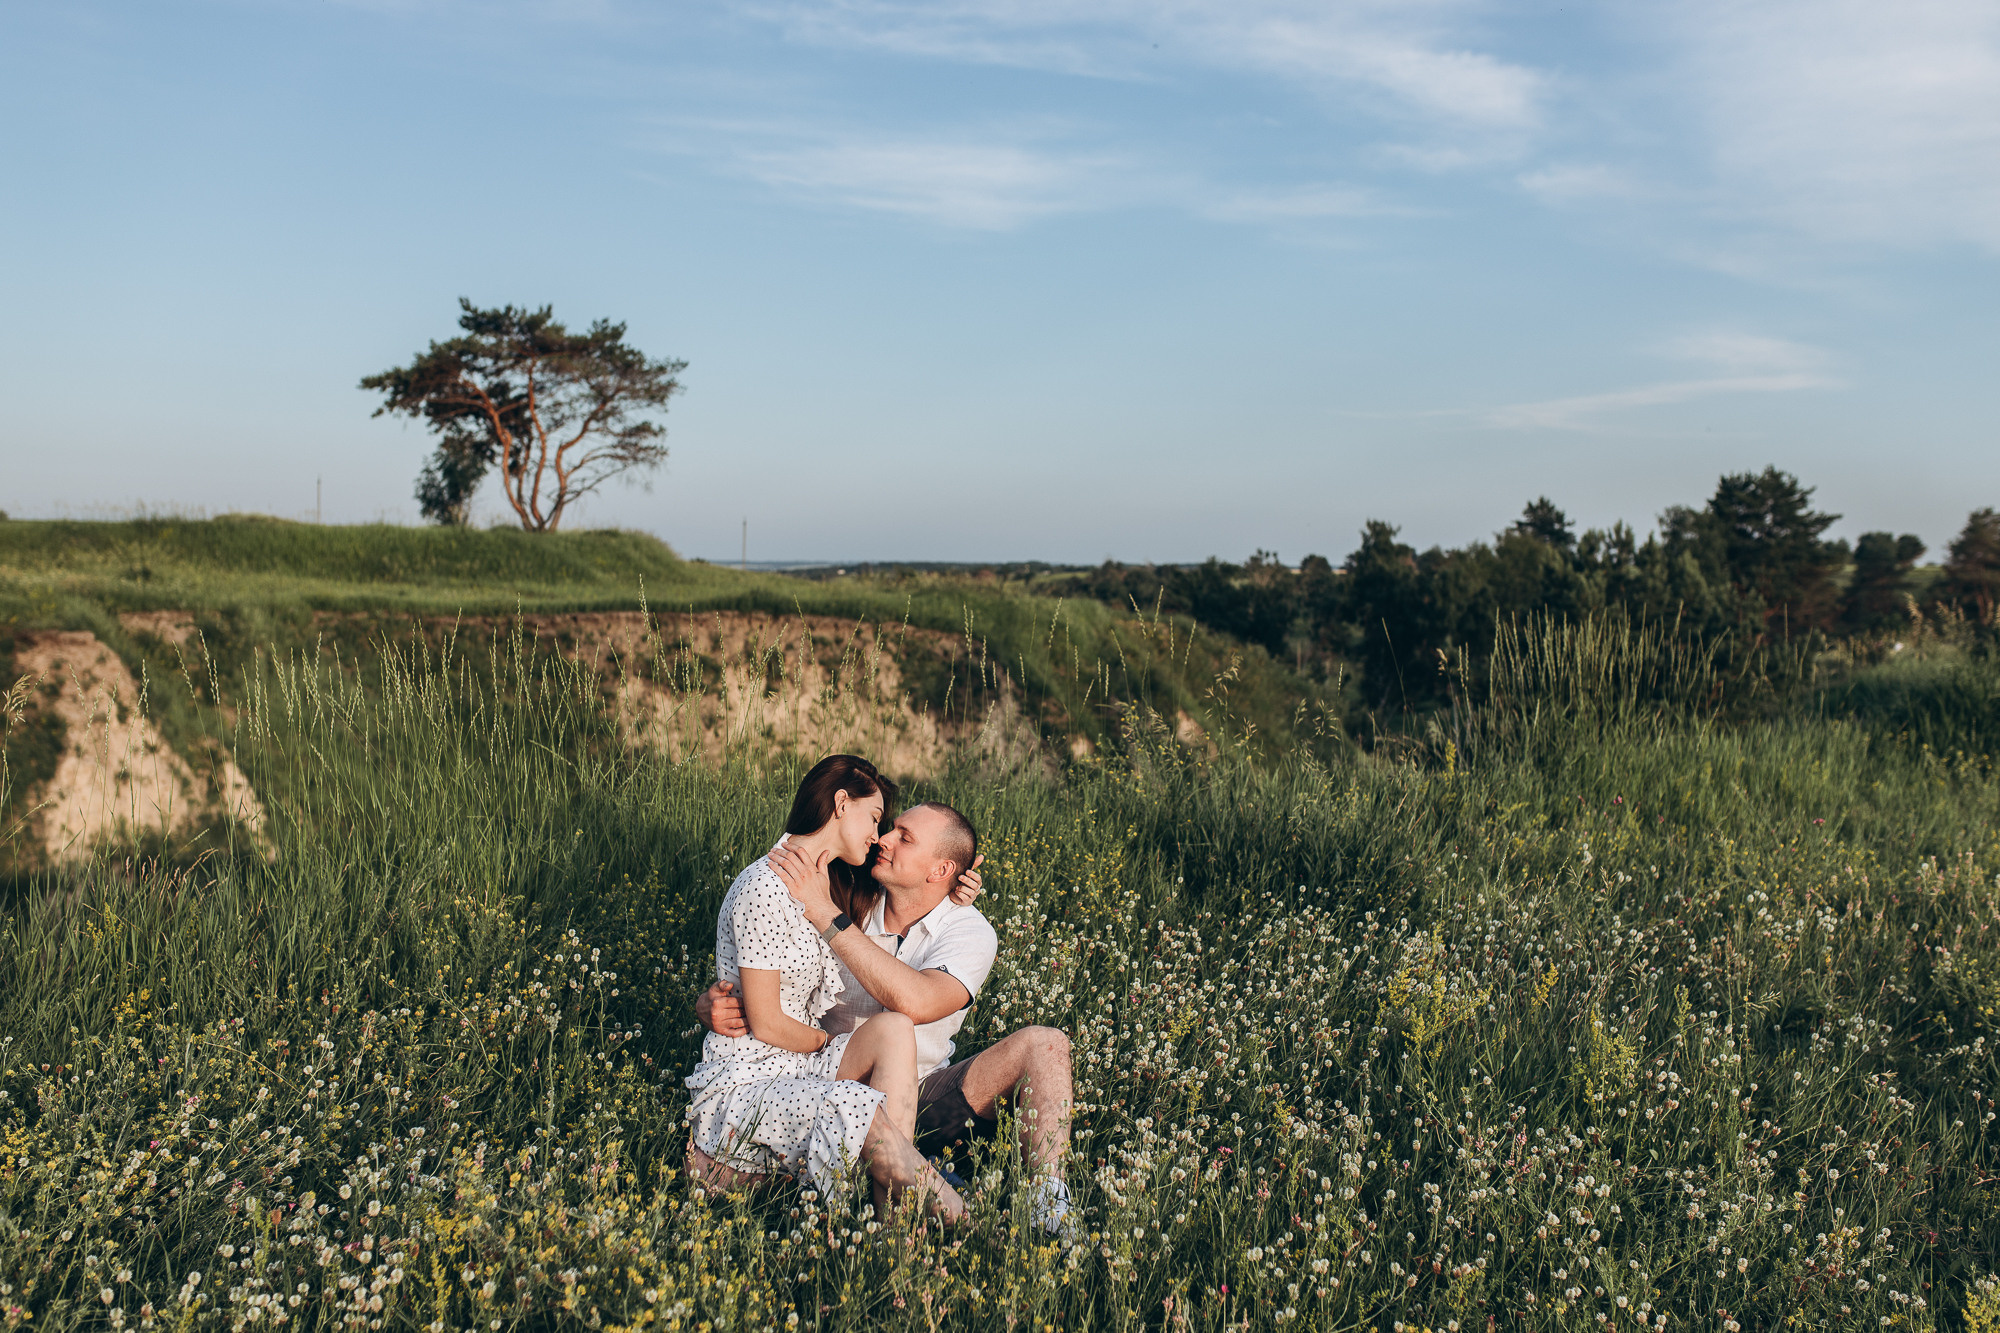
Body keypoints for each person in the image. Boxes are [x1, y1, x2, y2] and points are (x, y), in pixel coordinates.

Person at [696, 796, 1077, 1235]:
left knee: (1046, 1044)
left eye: (904, 837)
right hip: (831, 1075)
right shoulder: (849, 889)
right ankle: (903, 1197)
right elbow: (769, 934)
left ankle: (1048, 1206)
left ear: (940, 871)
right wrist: (715, 1001)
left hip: (926, 1094)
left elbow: (918, 1001)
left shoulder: (969, 931)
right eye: (889, 826)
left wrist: (827, 916)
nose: (884, 839)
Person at [682, 754, 965, 1220]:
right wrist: (825, 1042)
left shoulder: (825, 884)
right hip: (752, 1075)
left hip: (797, 1063)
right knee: (856, 1104)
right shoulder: (764, 886)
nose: (878, 836)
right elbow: (767, 1024)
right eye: (875, 818)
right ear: (841, 803)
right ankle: (958, 1216)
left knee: (895, 1027)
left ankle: (889, 1221)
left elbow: (917, 884)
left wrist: (954, 882)